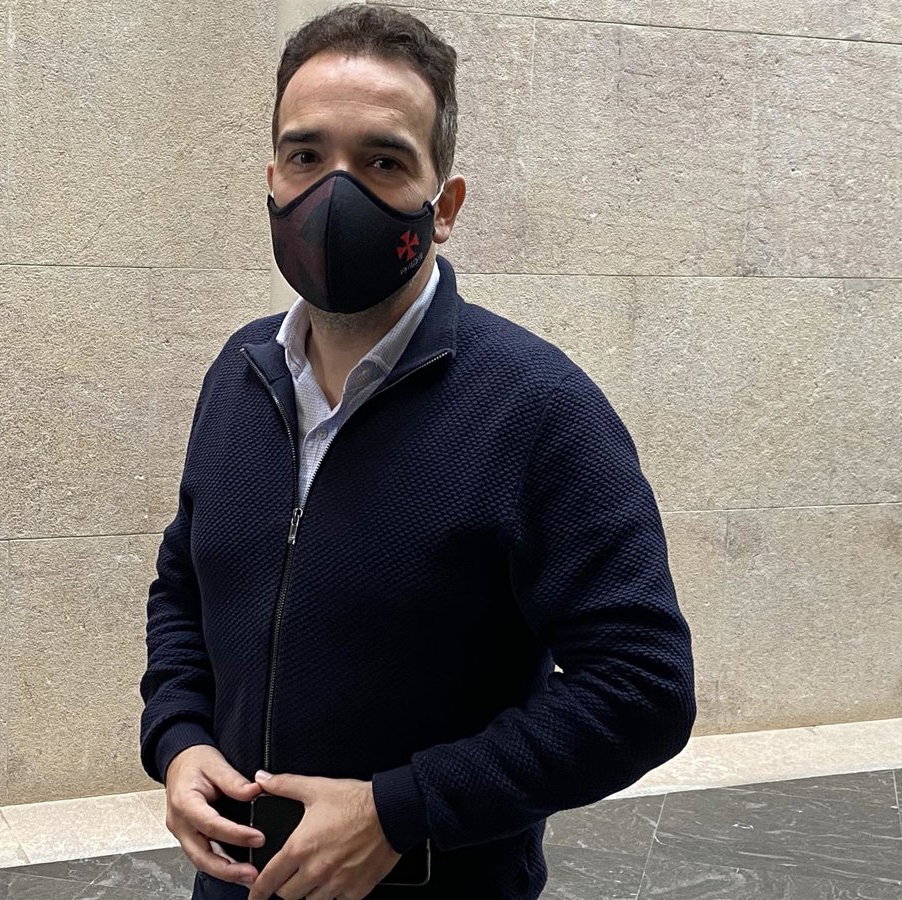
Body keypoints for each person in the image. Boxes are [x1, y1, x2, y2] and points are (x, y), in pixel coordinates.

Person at [139, 5, 696, 899]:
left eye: (384, 161)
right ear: (272, 180)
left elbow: (643, 688)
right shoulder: (240, 376)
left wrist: (401, 810)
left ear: (446, 208)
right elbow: (184, 587)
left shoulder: (539, 410)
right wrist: (178, 739)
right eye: (307, 156)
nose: (334, 194)